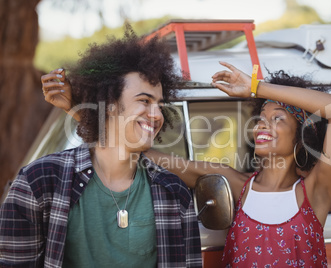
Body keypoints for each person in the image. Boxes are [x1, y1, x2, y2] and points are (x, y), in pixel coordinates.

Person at [40, 60, 331, 267]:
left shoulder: (314, 190)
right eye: (260, 118)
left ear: (301, 135)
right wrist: (78, 112)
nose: (261, 126)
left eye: (277, 119)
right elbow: (140, 154)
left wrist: (256, 88)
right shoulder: (239, 186)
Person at [0, 27, 202, 268]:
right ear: (109, 105)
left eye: (159, 104)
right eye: (145, 101)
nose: (157, 114)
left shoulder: (174, 192)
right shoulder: (39, 182)